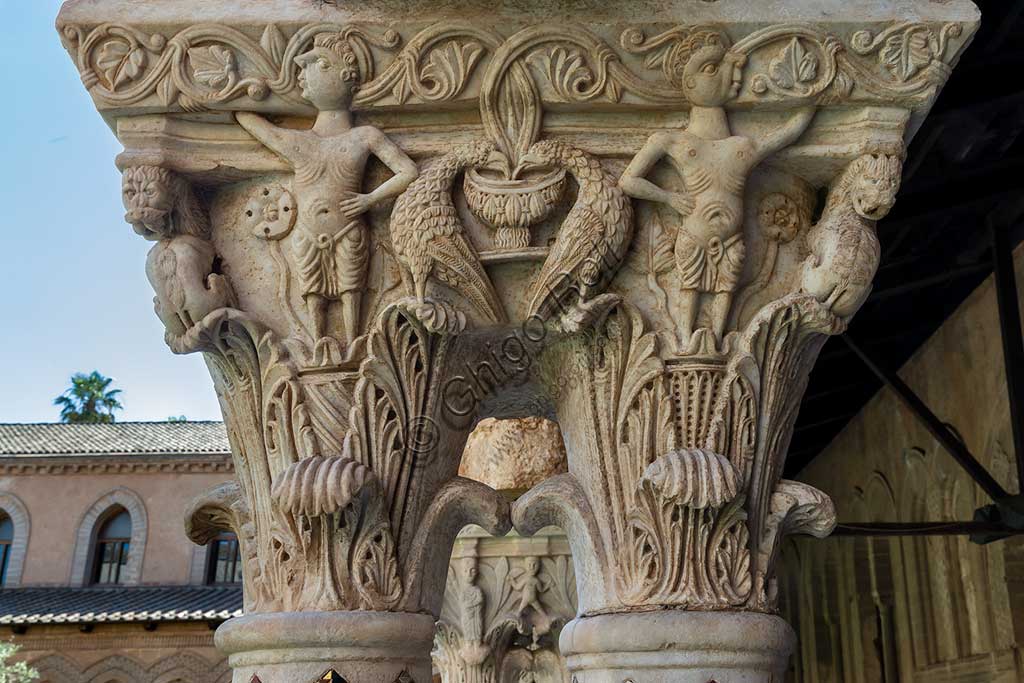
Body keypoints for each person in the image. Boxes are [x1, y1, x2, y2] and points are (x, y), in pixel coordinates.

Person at [619, 31, 814, 348]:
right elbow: (628, 180)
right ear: (690, 84)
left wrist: (812, 97)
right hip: (694, 232)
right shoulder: (673, 141)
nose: (732, 77)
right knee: (689, 286)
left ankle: (720, 340)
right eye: (712, 69)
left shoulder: (742, 146)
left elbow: (787, 135)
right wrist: (669, 197)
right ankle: (683, 342)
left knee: (726, 288)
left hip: (732, 239)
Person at [236, 32, 418, 354]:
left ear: (347, 77)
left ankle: (356, 344)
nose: (303, 75)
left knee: (352, 290)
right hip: (307, 232)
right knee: (313, 293)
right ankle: (318, 341)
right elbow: (254, 124)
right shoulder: (300, 142)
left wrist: (370, 199)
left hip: (348, 228)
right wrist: (244, 89)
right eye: (302, 69)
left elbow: (408, 171)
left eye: (317, 65)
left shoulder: (364, 136)